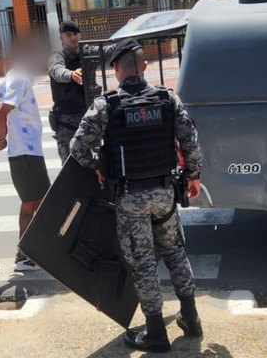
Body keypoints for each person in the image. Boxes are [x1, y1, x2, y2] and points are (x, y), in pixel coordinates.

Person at [70, 38, 204, 353]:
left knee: (143, 263)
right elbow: (191, 142)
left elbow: (78, 147)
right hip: (165, 194)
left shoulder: (106, 105)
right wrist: (194, 176)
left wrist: (97, 168)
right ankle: (192, 319)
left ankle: (156, 333)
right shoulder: (168, 99)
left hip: (130, 198)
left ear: (115, 69)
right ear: (144, 66)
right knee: (174, 253)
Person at [0, 44, 51, 271]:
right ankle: (24, 255)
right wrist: (3, 138)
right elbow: (1, 110)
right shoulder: (20, 77)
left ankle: (27, 252)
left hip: (26, 150)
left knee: (35, 202)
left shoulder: (14, 75)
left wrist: (6, 135)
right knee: (34, 203)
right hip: (25, 151)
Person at [48, 20, 87, 163]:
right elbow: (57, 70)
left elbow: (110, 50)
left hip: (89, 121)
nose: (73, 37)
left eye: (76, 34)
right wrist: (71, 75)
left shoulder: (87, 54)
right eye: (68, 34)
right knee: (70, 170)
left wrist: (128, 33)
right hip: (67, 124)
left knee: (93, 169)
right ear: (61, 38)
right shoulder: (57, 57)